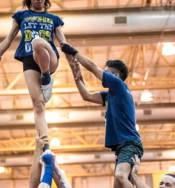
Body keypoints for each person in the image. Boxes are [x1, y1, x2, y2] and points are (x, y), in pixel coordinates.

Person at [0, 0, 69, 150]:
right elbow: (7, 40)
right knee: (38, 104)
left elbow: (64, 44)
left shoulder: (54, 19)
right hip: (29, 60)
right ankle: (45, 146)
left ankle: (46, 78)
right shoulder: (21, 16)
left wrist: (75, 65)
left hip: (50, 58)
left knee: (37, 42)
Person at [61, 43, 143, 188]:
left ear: (116, 76)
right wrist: (76, 73)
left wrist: (73, 53)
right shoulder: (110, 95)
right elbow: (86, 96)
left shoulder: (119, 85)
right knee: (118, 183)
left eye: (106, 72)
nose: (102, 73)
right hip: (122, 147)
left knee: (120, 176)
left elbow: (93, 67)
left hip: (129, 143)